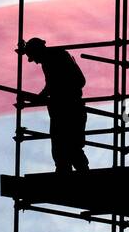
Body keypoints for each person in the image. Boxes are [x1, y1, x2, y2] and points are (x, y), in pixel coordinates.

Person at [18, 38, 89, 175]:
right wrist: (33, 98)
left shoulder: (53, 58)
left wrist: (33, 99)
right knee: (64, 146)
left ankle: (76, 174)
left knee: (67, 145)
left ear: (38, 51)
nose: (36, 62)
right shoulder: (55, 57)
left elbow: (52, 86)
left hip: (67, 108)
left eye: (34, 57)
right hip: (66, 108)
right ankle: (73, 172)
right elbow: (52, 87)